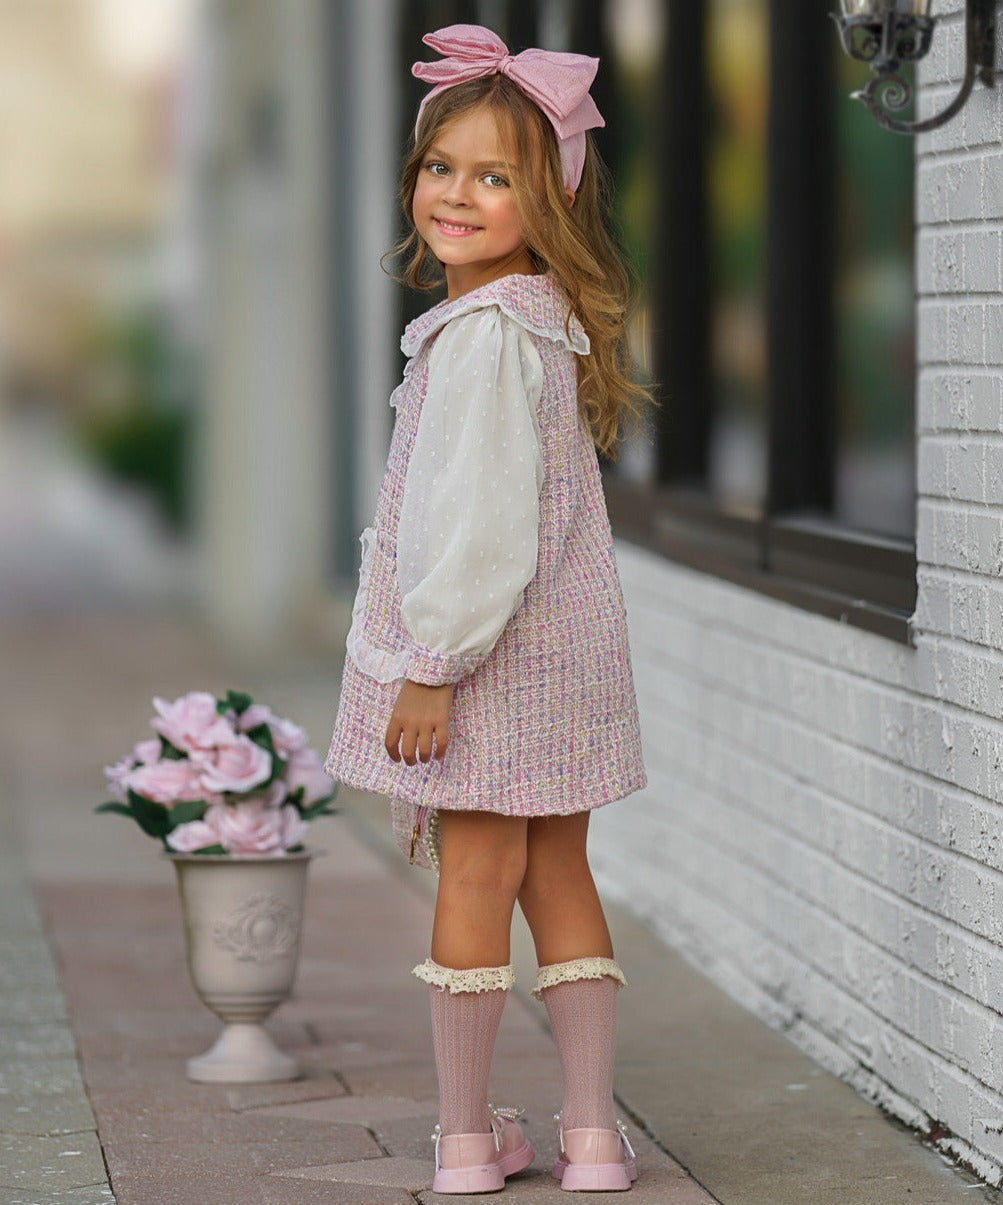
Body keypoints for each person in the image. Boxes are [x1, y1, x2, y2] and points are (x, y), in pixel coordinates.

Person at [326, 23, 648, 1195]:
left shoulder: (482, 341)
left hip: (488, 661)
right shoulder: (534, 321)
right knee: (559, 873)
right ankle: (591, 1137)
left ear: (547, 195)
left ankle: (465, 1139)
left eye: (495, 174)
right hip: (562, 658)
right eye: (440, 166)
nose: (455, 193)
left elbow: (480, 528)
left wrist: (432, 662)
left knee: (474, 876)